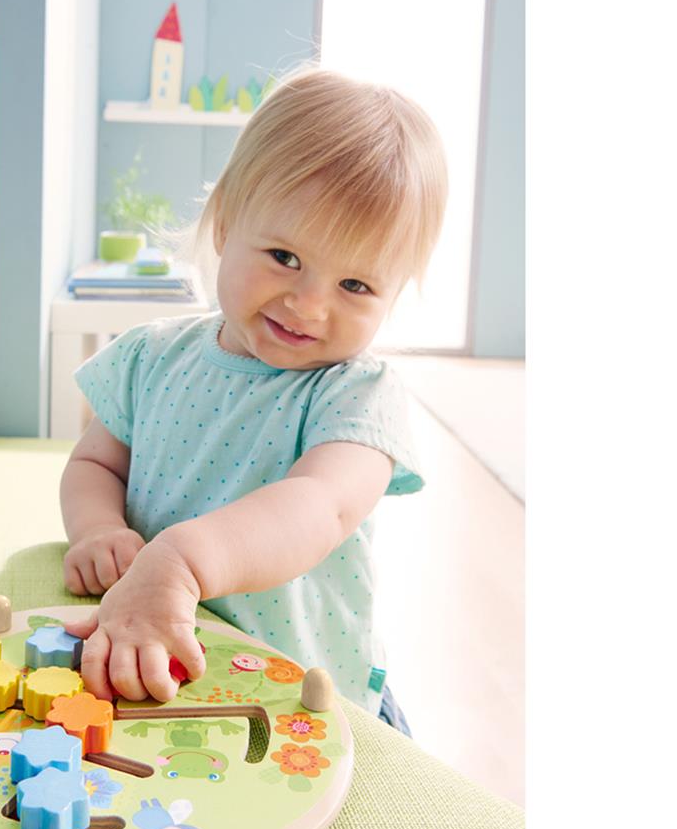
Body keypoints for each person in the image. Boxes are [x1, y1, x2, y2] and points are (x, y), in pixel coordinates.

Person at [58, 67, 447, 733]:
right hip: (158, 653)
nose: (310, 304)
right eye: (285, 257)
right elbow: (95, 464)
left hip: (303, 691)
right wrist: (100, 532)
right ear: (225, 224)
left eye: (355, 284)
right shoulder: (150, 357)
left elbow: (318, 508)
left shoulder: (357, 394)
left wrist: (179, 560)